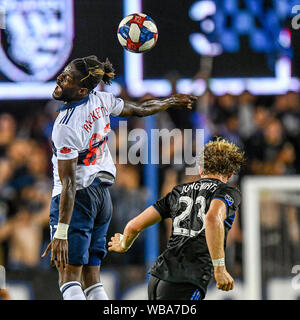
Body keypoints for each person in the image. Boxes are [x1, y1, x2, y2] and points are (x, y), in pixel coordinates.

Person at [41, 55, 197, 300]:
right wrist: (170, 101)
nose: (60, 78)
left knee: (69, 278)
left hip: (78, 198)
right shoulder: (101, 100)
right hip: (102, 198)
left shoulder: (65, 125)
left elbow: (69, 183)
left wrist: (61, 232)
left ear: (82, 89)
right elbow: (140, 109)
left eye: (67, 77)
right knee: (92, 279)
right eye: (63, 73)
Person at [108, 138, 245, 300]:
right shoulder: (228, 193)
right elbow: (212, 218)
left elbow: (134, 226)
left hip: (158, 277)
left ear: (201, 169)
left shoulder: (178, 191)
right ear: (230, 174)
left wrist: (124, 244)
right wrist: (220, 269)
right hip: (187, 280)